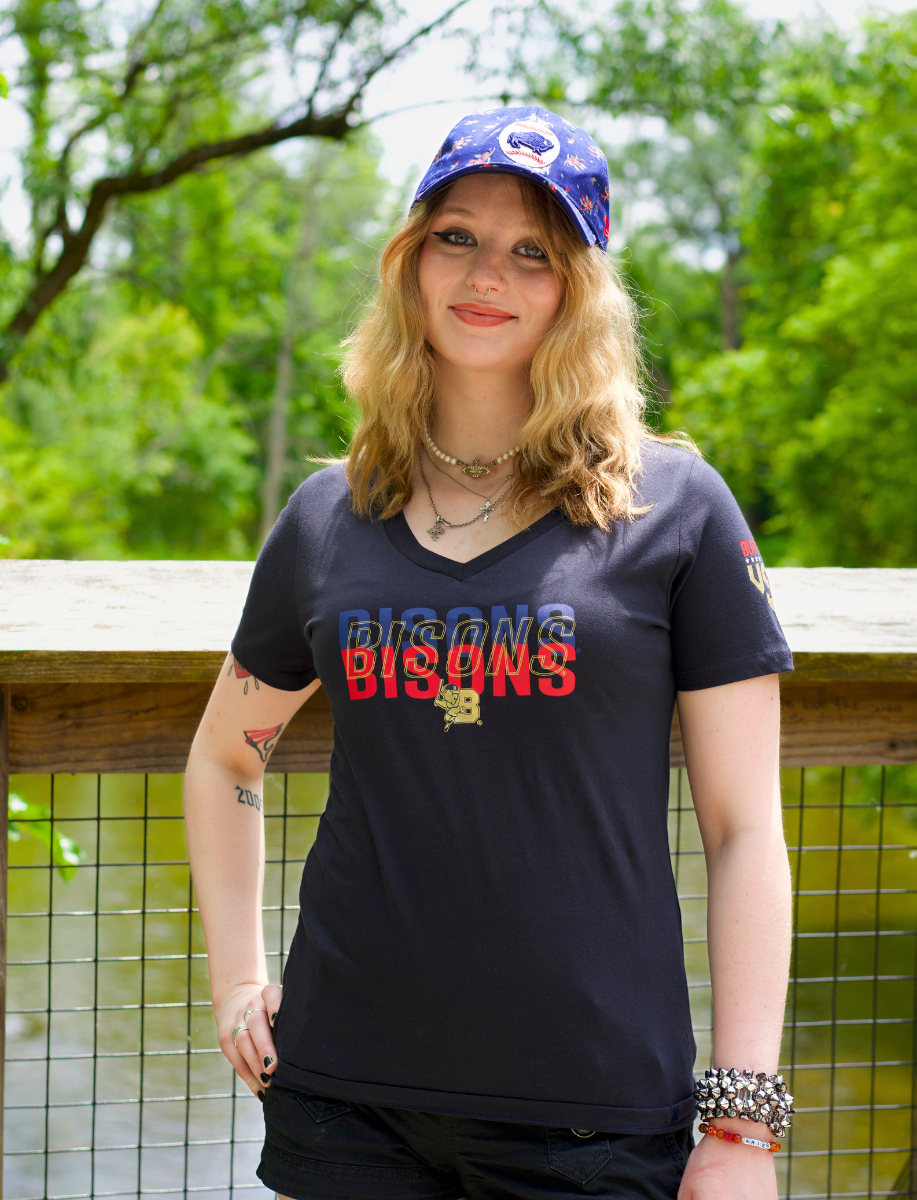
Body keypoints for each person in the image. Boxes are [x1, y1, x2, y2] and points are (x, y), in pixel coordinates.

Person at [183, 106, 794, 1200]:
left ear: (577, 290)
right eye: (457, 235)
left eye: (533, 252)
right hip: (344, 1099)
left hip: (592, 1115)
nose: (487, 275)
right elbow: (228, 759)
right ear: (412, 260)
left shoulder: (674, 509)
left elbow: (744, 830)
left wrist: (742, 1118)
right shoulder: (331, 514)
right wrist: (237, 979)